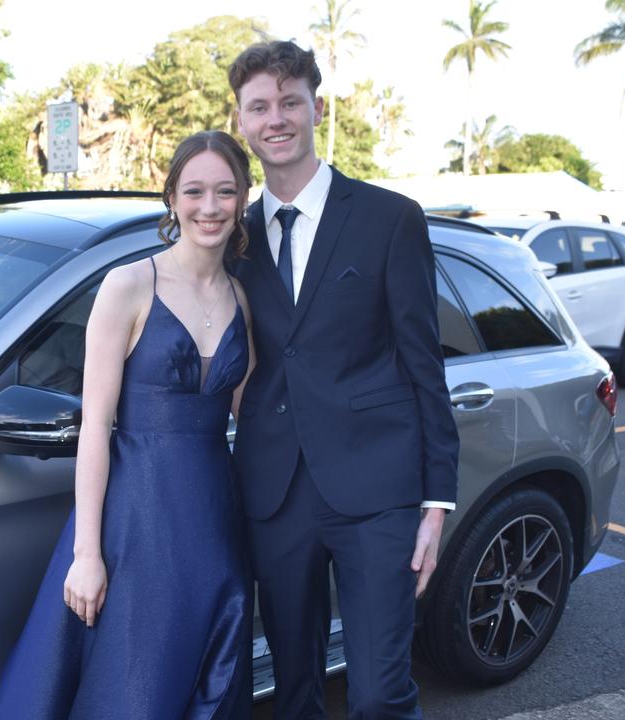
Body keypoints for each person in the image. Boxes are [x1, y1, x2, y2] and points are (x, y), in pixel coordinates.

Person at [227, 41, 460, 719]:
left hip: (378, 494)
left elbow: (424, 363)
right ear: (241, 119)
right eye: (259, 106)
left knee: (380, 692)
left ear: (315, 108)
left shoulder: (390, 217)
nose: (276, 118)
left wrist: (435, 502)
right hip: (273, 495)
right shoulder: (234, 237)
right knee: (292, 689)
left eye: (289, 102)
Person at [0, 130, 257, 719]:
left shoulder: (241, 296)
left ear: (242, 198)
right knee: (137, 679)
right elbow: (94, 429)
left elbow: (254, 416)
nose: (209, 207)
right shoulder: (129, 285)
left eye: (224, 191)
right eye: (194, 191)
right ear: (172, 198)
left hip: (214, 517)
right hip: (136, 521)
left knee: (208, 677)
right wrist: (86, 555)